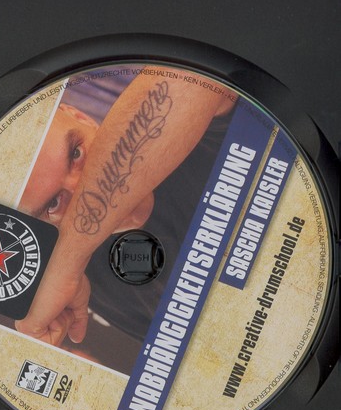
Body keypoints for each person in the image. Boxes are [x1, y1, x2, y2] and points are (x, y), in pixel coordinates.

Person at [13, 67, 236, 348]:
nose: (82, 189)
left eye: (76, 153)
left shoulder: (66, 274)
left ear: (81, 117)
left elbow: (192, 74)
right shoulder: (88, 289)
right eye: (53, 204)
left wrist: (69, 256)